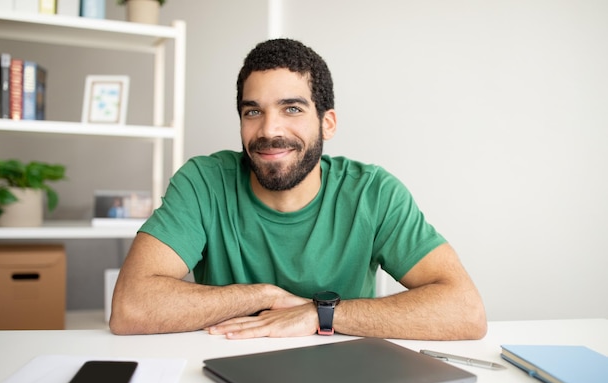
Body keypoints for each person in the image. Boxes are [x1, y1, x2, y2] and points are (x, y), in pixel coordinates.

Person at [110, 38, 487, 340]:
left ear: (328, 123)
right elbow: (132, 307)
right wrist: (264, 296)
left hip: (344, 374)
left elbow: (465, 311)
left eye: (292, 109)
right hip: (227, 365)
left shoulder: (372, 193)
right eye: (253, 111)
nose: (269, 131)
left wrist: (318, 314)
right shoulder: (203, 182)